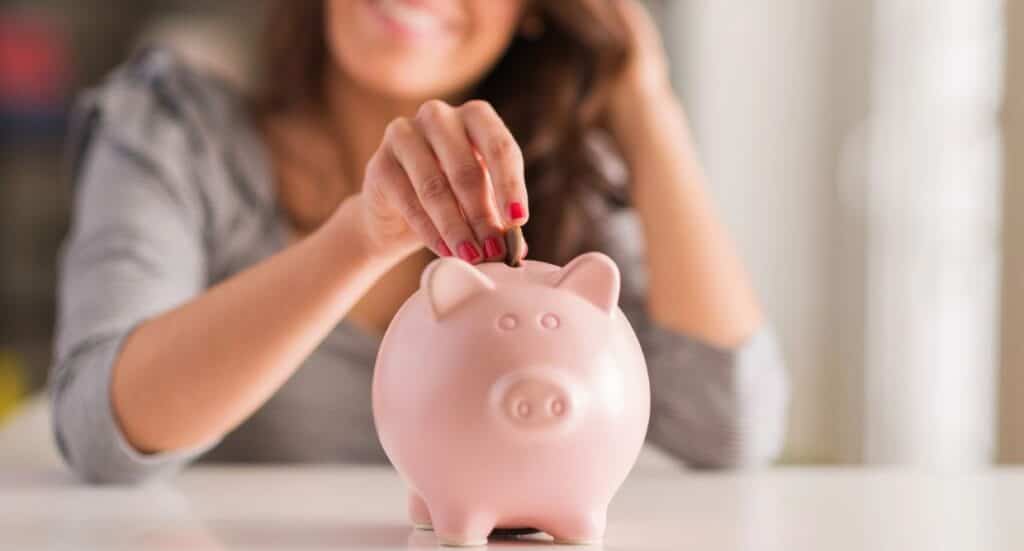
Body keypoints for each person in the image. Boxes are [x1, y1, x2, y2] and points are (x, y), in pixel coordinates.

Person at [51, 0, 789, 484]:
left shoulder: (562, 172)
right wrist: (360, 238)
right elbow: (98, 428)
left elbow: (729, 425)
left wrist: (643, 96)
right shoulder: (175, 128)